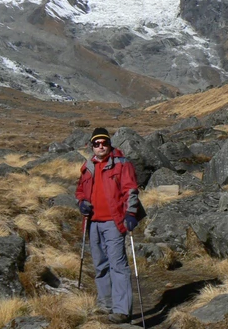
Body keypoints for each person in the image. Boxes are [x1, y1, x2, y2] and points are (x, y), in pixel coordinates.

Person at [75, 127, 141, 324]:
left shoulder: (122, 164)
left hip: (114, 222)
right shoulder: (88, 166)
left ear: (109, 144)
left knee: (118, 265)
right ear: (91, 146)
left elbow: (130, 190)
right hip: (93, 223)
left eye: (104, 142)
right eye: (97, 143)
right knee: (100, 265)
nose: (100, 146)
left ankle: (121, 310)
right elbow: (80, 190)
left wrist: (130, 213)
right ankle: (106, 305)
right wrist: (81, 203)